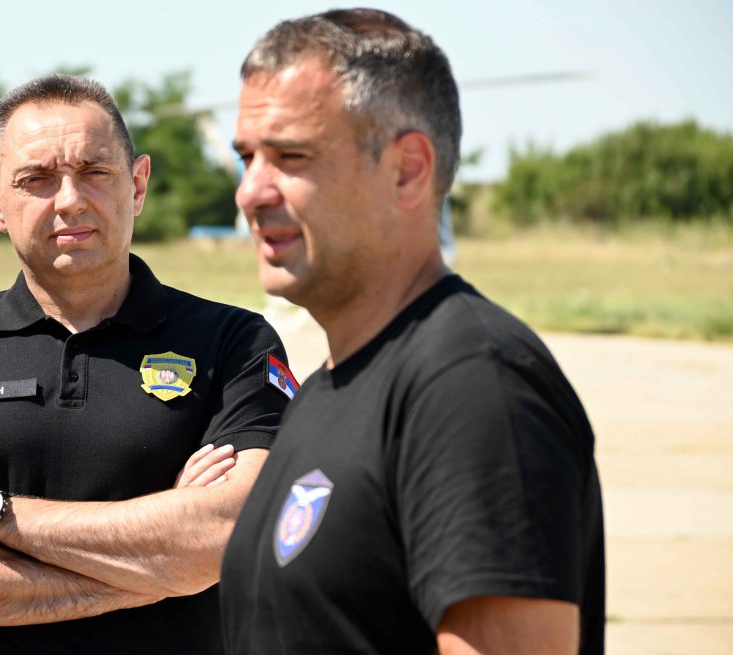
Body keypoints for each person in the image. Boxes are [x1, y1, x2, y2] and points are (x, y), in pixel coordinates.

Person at [0, 74, 294, 654]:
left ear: (137, 184)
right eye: (36, 179)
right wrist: (162, 567)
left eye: (95, 172)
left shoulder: (235, 342)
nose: (69, 200)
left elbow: (234, 529)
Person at [219, 9, 605, 655]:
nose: (250, 192)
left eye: (291, 156)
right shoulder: (327, 388)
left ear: (406, 170)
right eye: (246, 157)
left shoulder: (471, 387)